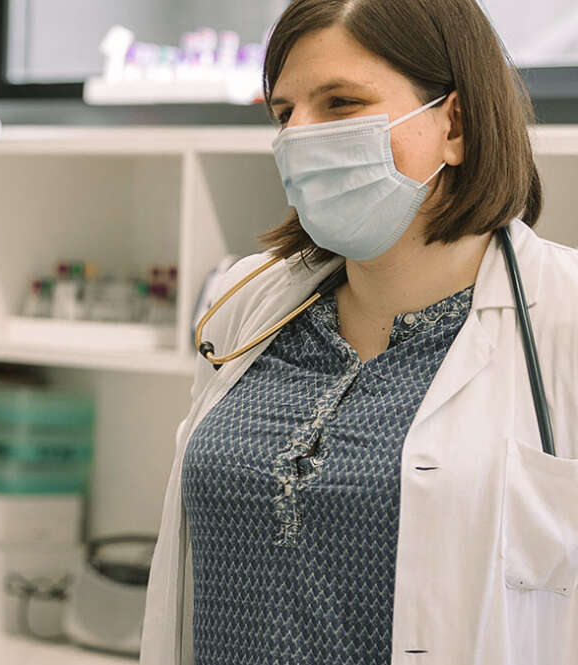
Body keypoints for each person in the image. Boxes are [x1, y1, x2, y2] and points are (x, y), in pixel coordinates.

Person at [142, 1, 578, 664]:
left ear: (454, 124)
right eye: (284, 113)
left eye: (340, 103)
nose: (300, 137)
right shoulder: (244, 307)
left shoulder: (562, 319)